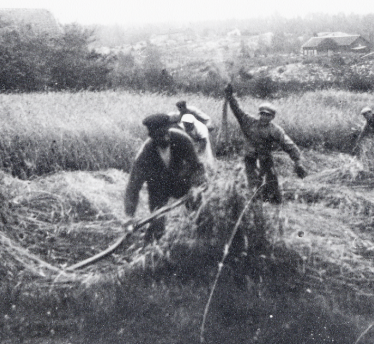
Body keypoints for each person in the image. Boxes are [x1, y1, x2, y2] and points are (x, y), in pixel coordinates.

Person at [124, 113, 206, 242]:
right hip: (158, 188)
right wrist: (129, 216)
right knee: (157, 224)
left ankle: (200, 239)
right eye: (161, 135)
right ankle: (153, 248)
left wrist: (196, 187)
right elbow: (133, 187)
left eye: (166, 132)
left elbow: (196, 166)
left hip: (182, 182)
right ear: (152, 136)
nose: (166, 137)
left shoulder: (182, 139)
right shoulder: (145, 154)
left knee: (200, 211)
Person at [224, 83, 307, 203]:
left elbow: (289, 145)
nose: (264, 117)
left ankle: (275, 202)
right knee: (253, 182)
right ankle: (255, 203)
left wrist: (298, 162)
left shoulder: (275, 130)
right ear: (259, 114)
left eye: (267, 115)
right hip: (250, 157)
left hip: (265, 158)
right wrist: (230, 96)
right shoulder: (249, 122)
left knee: (272, 182)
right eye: (262, 114)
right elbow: (237, 110)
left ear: (272, 117)